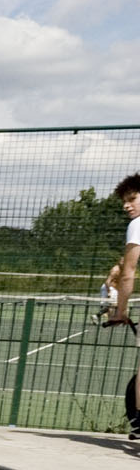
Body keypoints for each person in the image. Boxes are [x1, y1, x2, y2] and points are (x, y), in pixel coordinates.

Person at [104, 173, 140, 439]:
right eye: (124, 201)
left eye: (132, 199)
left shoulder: (137, 224)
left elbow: (128, 273)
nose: (127, 206)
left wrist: (120, 310)